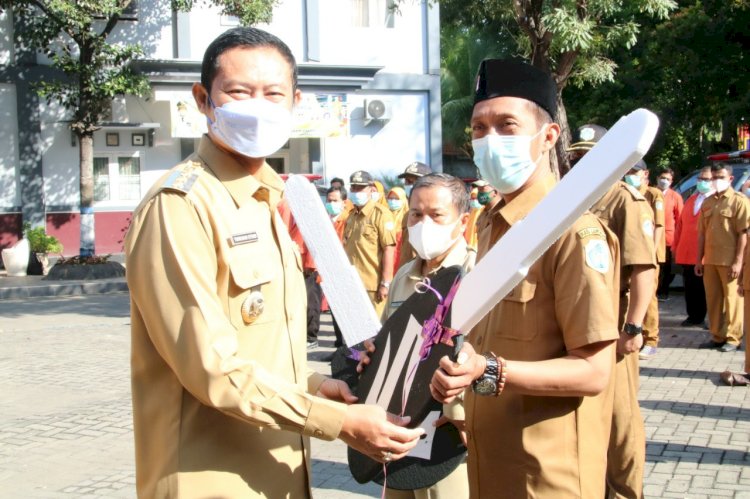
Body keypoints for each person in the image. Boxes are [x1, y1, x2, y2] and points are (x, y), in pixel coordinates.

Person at [124, 27, 423, 498]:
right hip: (211, 479)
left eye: (273, 94)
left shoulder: (268, 198)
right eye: (239, 92)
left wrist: (316, 384)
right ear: (204, 99)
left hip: (278, 472)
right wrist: (339, 422)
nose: (257, 107)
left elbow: (257, 351)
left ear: (295, 103)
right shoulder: (181, 205)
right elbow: (211, 368)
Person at [429, 59, 620, 498]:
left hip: (545, 477)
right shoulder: (492, 223)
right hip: (488, 460)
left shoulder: (572, 231)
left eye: (506, 125)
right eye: (479, 128)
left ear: (548, 136)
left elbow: (593, 371)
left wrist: (489, 370)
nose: (489, 140)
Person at [359, 173, 474, 498]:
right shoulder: (404, 276)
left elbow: (480, 352)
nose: (424, 224)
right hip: (399, 427)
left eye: (437, 215)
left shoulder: (475, 275)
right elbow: (386, 340)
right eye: (416, 215)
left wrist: (461, 416)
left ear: (463, 221)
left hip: (448, 432)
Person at [570, 123, 656, 498]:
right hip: (578, 319)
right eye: (575, 157)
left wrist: (634, 328)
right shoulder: (571, 198)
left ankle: (624, 493)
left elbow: (644, 269)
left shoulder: (624, 200)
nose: (581, 162)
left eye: (590, 156)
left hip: (614, 322)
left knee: (620, 420)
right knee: (590, 414)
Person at [695, 163, 750, 353]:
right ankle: (717, 335)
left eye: (720, 177)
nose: (716, 181)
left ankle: (733, 338)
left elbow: (744, 234)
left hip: (729, 261)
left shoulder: (739, 201)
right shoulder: (708, 202)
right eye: (714, 177)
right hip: (710, 260)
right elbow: (701, 234)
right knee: (714, 300)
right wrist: (698, 259)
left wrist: (738, 262)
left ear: (730, 179)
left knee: (732, 301)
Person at [344, 170, 397, 322]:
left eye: (360, 187)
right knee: (356, 330)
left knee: (375, 332)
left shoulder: (381, 214)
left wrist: (385, 283)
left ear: (371, 189)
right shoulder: (352, 215)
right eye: (353, 187)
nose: (355, 191)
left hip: (373, 286)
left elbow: (389, 249)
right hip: (353, 284)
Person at [632, 161, 665, 360]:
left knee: (649, 296)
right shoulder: (627, 192)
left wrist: (651, 253)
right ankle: (637, 334)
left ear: (645, 173)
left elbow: (659, 226)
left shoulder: (653, 194)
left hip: (649, 254)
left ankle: (651, 339)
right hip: (634, 252)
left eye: (635, 172)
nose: (631, 175)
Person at [672, 168, 711, 327]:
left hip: (705, 254)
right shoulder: (691, 199)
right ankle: (694, 316)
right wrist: (676, 247)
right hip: (687, 253)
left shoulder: (714, 201)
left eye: (706, 179)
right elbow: (680, 226)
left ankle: (709, 318)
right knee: (691, 288)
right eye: (700, 179)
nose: (702, 182)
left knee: (706, 289)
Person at [396, 162, 433, 270]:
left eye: (413, 181)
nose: (409, 185)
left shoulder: (433, 215)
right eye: (407, 181)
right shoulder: (407, 214)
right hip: (406, 270)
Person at [656, 168, 684, 300]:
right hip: (650, 236)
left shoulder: (675, 196)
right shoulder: (650, 193)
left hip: (668, 237)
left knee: (666, 266)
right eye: (662, 178)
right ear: (657, 178)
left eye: (668, 179)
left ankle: (663, 291)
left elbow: (680, 219)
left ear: (672, 181)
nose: (664, 181)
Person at [386, 186, 409, 271]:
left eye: (396, 199)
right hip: (386, 257)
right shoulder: (384, 215)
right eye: (390, 198)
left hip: (401, 257)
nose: (393, 201)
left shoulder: (407, 217)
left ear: (403, 200)